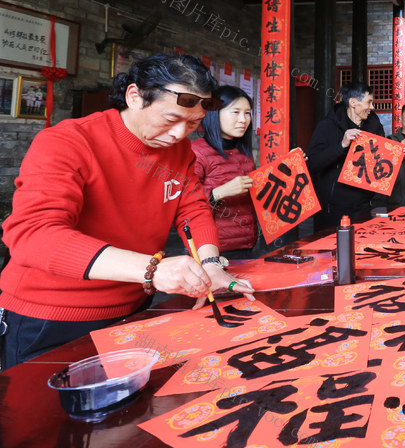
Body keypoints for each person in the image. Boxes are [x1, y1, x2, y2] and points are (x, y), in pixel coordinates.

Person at [0, 53, 255, 369]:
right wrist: (152, 269)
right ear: (134, 96)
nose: (179, 134)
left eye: (192, 123)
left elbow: (193, 209)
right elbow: (34, 234)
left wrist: (211, 264)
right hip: (51, 316)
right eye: (170, 118)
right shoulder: (69, 141)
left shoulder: (179, 151)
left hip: (134, 308)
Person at [306, 80, 386, 229]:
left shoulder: (375, 126)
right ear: (353, 102)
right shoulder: (328, 125)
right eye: (369, 102)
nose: (372, 107)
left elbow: (382, 161)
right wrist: (341, 146)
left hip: (363, 205)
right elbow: (312, 163)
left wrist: (400, 153)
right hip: (333, 208)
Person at [192, 85, 259, 259]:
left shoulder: (243, 152)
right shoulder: (197, 152)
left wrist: (287, 167)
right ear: (215, 113)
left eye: (247, 113)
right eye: (235, 112)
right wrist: (219, 192)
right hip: (212, 249)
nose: (243, 119)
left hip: (247, 244)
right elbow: (186, 205)